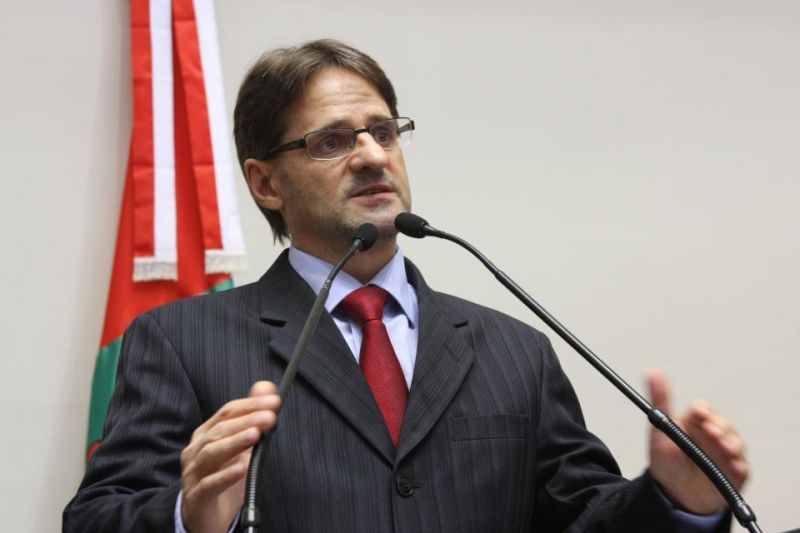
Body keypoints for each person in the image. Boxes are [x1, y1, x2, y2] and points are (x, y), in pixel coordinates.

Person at [64, 39, 749, 532]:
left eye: (383, 132)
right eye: (332, 141)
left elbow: (583, 518)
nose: (371, 155)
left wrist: (674, 500)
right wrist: (187, 516)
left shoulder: (515, 351)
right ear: (266, 182)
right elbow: (95, 518)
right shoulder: (181, 341)